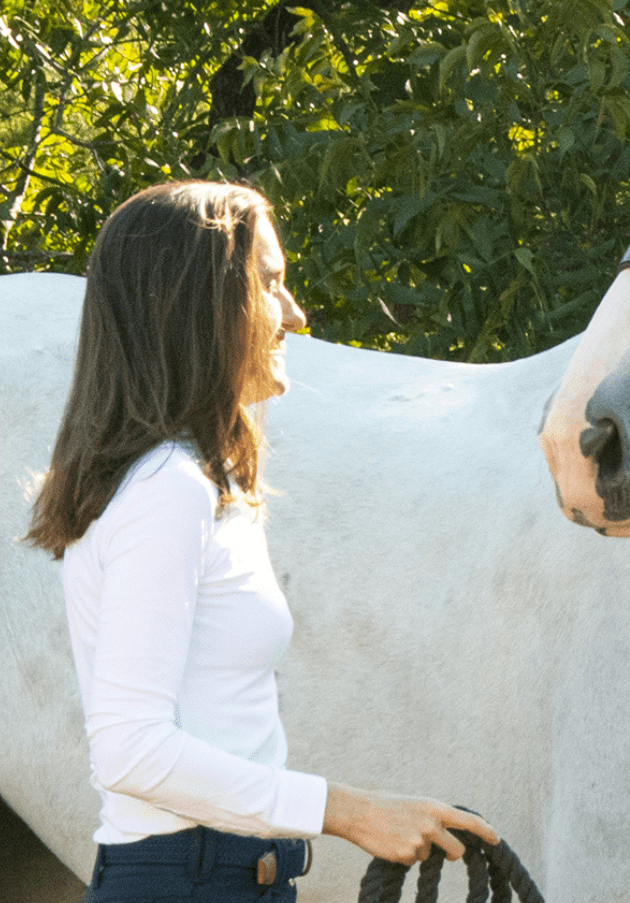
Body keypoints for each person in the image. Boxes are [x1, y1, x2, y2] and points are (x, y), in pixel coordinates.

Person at [26, 180, 497, 902]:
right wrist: (352, 811)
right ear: (200, 304)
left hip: (222, 876)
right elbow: (130, 751)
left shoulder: (185, 483)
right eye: (270, 284)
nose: (294, 315)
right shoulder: (167, 490)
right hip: (192, 880)